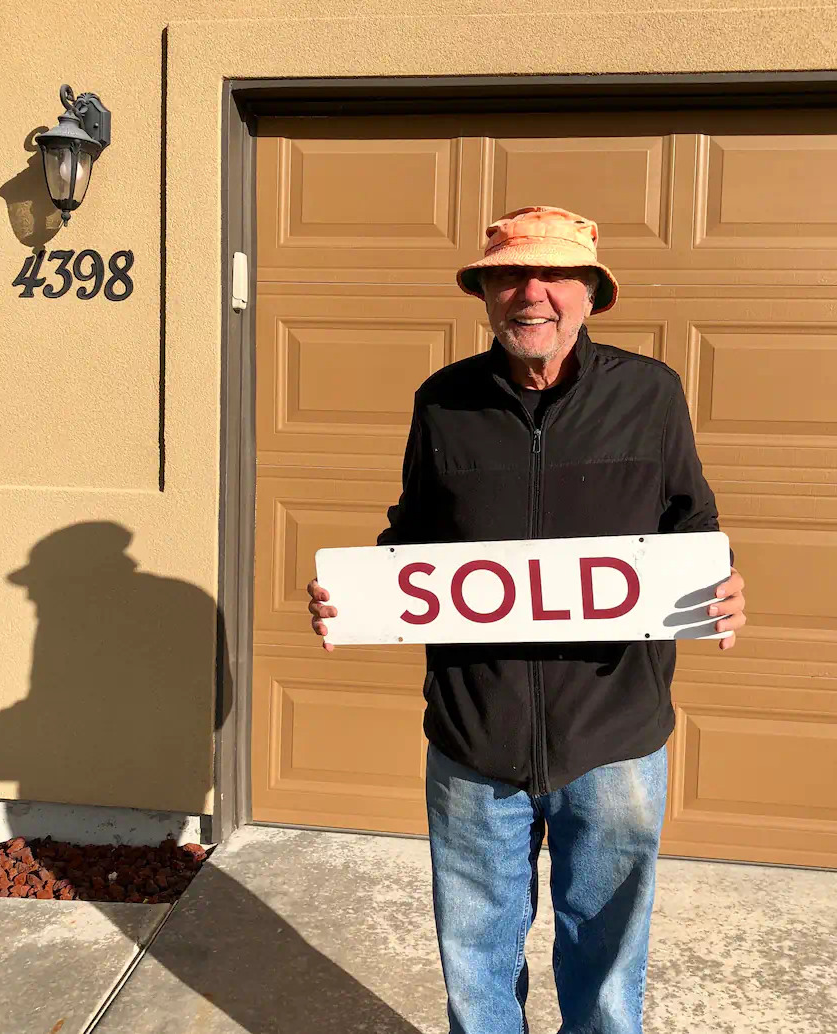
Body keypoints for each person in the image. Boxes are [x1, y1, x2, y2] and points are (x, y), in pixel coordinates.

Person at [306, 206, 747, 1034]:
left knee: (607, 961)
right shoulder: (443, 402)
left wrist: (721, 583)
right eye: (509, 275)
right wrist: (358, 594)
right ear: (484, 293)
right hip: (475, 736)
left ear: (591, 293)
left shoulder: (650, 393)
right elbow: (415, 534)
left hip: (613, 733)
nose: (530, 293)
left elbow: (692, 524)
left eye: (555, 276)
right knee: (476, 957)